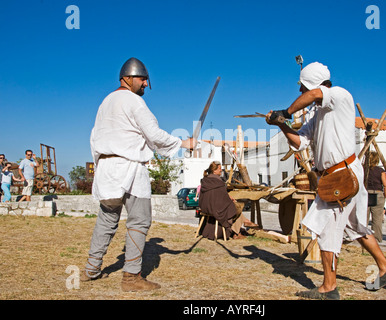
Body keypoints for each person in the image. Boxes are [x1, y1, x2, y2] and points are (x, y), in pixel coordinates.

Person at [266, 62, 386, 300]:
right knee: (354, 227)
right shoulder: (318, 115)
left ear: (314, 84)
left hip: (341, 176)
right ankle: (385, 266)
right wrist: (280, 124)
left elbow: (315, 94)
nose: (301, 93)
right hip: (342, 175)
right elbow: (300, 142)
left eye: (303, 87)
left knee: (328, 229)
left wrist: (286, 112)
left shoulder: (339, 95)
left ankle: (329, 287)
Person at [81, 57, 197, 292]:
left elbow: (94, 138)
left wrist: (102, 165)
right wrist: (184, 143)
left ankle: (91, 270)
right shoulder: (133, 102)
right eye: (142, 79)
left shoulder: (105, 102)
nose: (145, 84)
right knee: (139, 221)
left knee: (106, 220)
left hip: (107, 168)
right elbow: (153, 134)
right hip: (130, 168)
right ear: (127, 78)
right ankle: (131, 277)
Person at [198, 161, 258, 240]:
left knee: (233, 207)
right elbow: (223, 198)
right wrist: (230, 200)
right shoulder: (217, 182)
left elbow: (217, 196)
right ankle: (237, 231)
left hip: (206, 208)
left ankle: (240, 228)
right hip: (215, 209)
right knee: (235, 208)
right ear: (214, 170)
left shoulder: (205, 181)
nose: (221, 170)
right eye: (219, 168)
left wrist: (228, 197)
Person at [366, 151, 386, 242]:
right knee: (377, 219)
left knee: (364, 217)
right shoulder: (380, 171)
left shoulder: (363, 169)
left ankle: (363, 237)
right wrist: (384, 195)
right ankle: (377, 238)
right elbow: (385, 184)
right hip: (378, 193)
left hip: (366, 193)